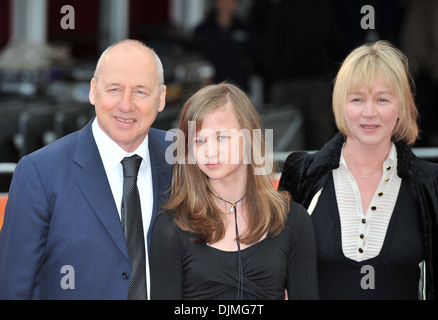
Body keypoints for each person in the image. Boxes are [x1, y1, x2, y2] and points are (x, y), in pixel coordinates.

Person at [0, 39, 172, 299]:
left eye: (140, 92)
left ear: (161, 98)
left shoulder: (181, 159)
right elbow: (15, 289)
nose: (126, 106)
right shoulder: (39, 172)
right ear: (93, 90)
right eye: (114, 89)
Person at [279, 40, 438, 300]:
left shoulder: (430, 184)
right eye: (357, 99)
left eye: (382, 99)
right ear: (341, 104)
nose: (369, 112)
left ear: (401, 107)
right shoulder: (302, 176)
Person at [150, 82, 318, 300]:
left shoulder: (293, 221)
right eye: (199, 140)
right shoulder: (171, 228)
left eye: (221, 137)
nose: (209, 151)